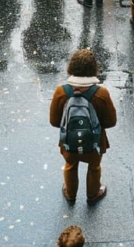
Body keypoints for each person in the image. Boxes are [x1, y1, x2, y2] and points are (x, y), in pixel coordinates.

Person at [49, 49, 117, 204]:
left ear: (71, 67)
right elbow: (111, 122)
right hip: (94, 142)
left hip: (69, 141)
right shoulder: (101, 93)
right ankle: (93, 194)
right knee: (94, 167)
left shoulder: (61, 91)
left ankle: (70, 194)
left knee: (70, 165)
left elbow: (54, 121)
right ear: (94, 69)